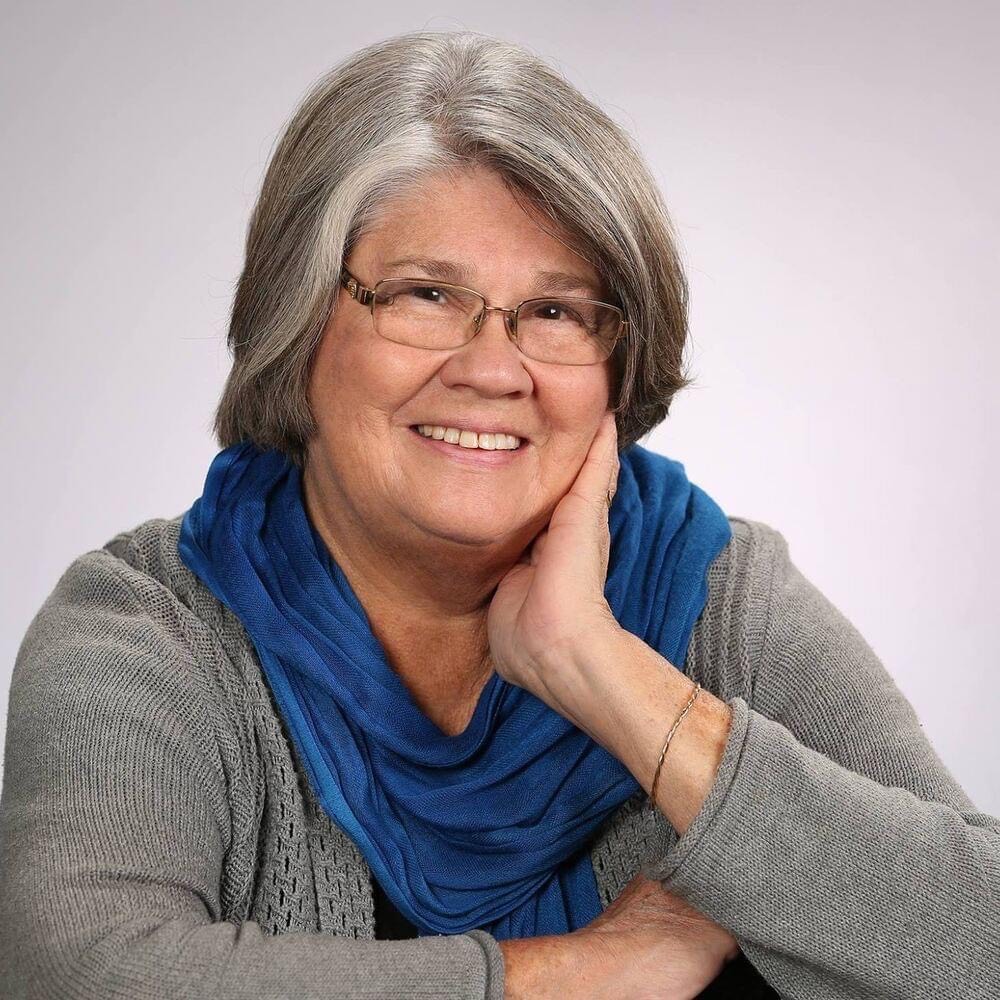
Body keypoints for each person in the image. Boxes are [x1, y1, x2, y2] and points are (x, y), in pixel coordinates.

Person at [1, 28, 997, 1000]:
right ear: (296, 324)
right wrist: (580, 974)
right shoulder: (149, 628)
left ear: (615, 370)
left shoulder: (716, 598)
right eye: (427, 294)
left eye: (556, 311)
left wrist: (597, 666)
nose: (491, 369)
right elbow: (74, 974)